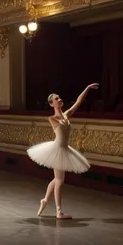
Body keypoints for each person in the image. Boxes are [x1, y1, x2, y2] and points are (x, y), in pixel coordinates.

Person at [29, 83, 99, 220]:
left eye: (60, 98)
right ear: (51, 104)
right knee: (60, 180)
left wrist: (87, 88)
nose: (60, 100)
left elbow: (78, 102)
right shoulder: (52, 118)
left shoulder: (66, 115)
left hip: (65, 149)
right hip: (57, 149)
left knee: (57, 179)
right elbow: (58, 123)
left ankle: (44, 200)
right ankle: (58, 212)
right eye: (56, 99)